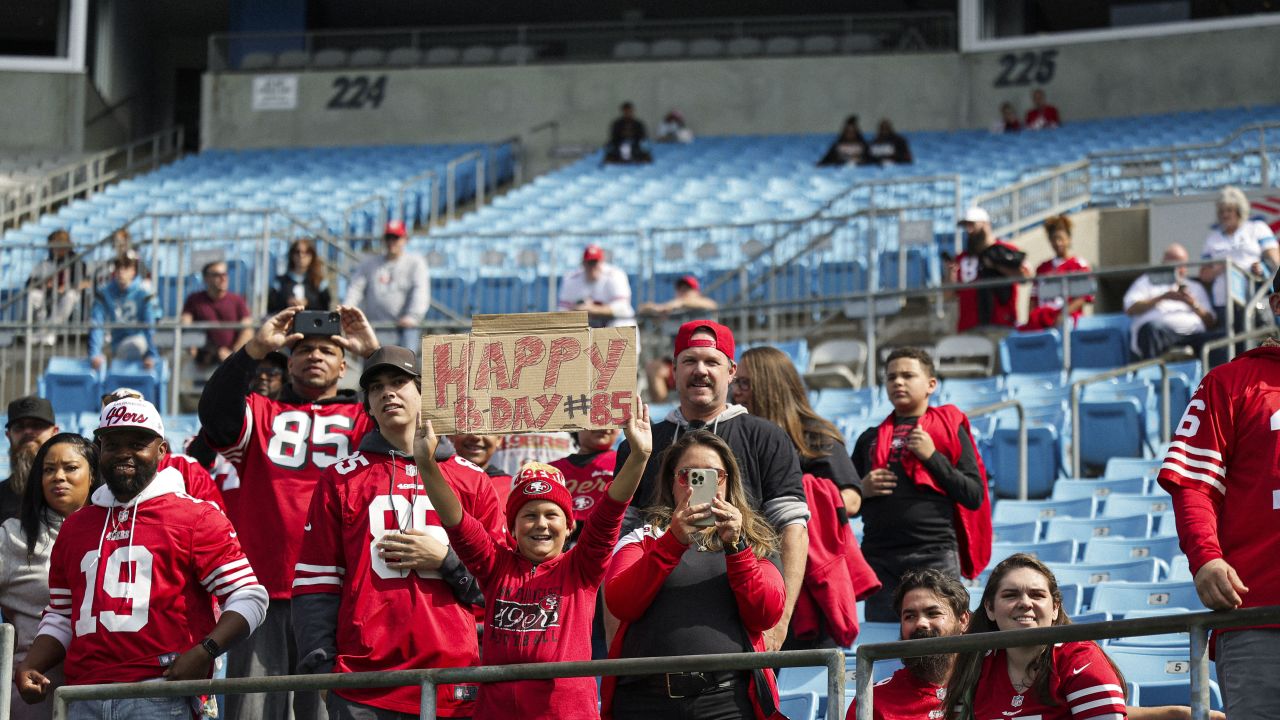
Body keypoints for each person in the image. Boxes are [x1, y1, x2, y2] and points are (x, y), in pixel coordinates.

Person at [14, 397, 268, 718]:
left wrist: (205, 651)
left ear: (162, 451)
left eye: (137, 443)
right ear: (99, 448)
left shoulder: (197, 517)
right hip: (82, 694)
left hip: (161, 691)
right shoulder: (77, 525)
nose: (124, 453)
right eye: (113, 443)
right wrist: (32, 664)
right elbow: (63, 615)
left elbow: (250, 597)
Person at [293, 345, 502, 720]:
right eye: (376, 388)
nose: (387, 392)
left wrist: (446, 561)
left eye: (399, 382)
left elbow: (502, 589)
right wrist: (321, 670)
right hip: (363, 683)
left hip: (453, 678)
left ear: (424, 394)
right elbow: (316, 583)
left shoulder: (472, 479)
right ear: (368, 406)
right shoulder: (339, 480)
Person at [413, 397, 652, 720]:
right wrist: (426, 464)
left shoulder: (582, 568)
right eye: (529, 515)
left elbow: (610, 511)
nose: (541, 524)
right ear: (511, 527)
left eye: (552, 514)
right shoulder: (495, 565)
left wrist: (639, 455)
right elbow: (456, 520)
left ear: (569, 526)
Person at [198, 305, 381, 720]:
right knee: (252, 710)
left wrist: (375, 353)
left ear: (343, 366)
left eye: (327, 349)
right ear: (288, 361)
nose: (314, 355)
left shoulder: (363, 418)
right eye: (303, 349)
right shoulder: (261, 413)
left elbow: (409, 414)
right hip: (264, 590)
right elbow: (214, 411)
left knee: (328, 710)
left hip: (341, 590)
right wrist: (255, 349)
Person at [615, 320, 810, 651]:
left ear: (732, 371)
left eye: (711, 361)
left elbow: (792, 531)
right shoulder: (643, 443)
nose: (700, 371)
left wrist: (779, 626)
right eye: (689, 361)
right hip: (656, 629)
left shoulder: (766, 437)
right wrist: (614, 632)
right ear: (673, 370)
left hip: (743, 620)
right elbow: (620, 538)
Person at [850, 568, 1214, 720]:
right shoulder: (873, 699)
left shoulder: (993, 670)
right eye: (909, 616)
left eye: (932, 613)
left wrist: (1173, 715)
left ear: (964, 620)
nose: (921, 625)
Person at [603, 430, 785, 719]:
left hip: (727, 701)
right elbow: (621, 603)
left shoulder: (754, 542)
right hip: (644, 701)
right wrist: (673, 541)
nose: (699, 485)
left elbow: (765, 614)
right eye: (688, 475)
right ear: (671, 482)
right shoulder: (642, 538)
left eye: (714, 475)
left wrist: (736, 547)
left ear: (728, 482)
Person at [1157, 295, 1280, 720]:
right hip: (1259, 615)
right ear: (1277, 304)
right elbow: (1193, 484)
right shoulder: (1230, 381)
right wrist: (1206, 559)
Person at [851, 347, 990, 622]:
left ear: (931, 385)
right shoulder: (869, 438)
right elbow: (844, 502)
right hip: (880, 561)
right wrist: (862, 490)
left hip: (934, 555)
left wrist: (932, 457)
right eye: (891, 377)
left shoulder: (949, 428)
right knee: (884, 649)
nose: (898, 382)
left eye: (907, 375)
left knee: (942, 641)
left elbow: (973, 494)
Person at [944, 554, 1126, 719]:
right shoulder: (974, 667)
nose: (1025, 603)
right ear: (990, 609)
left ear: (1055, 608)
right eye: (1010, 595)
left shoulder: (1079, 658)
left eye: (1037, 595)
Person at [0, 433, 99, 720]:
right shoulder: (13, 538)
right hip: (35, 694)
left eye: (70, 468)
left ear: (92, 475)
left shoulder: (116, 532)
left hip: (100, 690)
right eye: (48, 469)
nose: (58, 477)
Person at [1198, 185, 1278, 325]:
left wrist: (1262, 269)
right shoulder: (1212, 238)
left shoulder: (1256, 228)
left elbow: (1276, 261)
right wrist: (1222, 267)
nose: (1225, 215)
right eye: (1221, 211)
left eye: (1229, 210)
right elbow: (1204, 275)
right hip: (1223, 302)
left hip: (1254, 299)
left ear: (1239, 210)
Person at [343, 221, 430, 349]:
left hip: (404, 328)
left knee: (404, 366)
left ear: (405, 239)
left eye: (396, 237)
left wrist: (413, 316)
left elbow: (420, 291)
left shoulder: (415, 263)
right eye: (389, 237)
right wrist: (348, 308)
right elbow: (356, 288)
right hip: (376, 327)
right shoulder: (370, 263)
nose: (392, 241)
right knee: (372, 366)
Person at [1123, 243, 1217, 359]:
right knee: (1151, 329)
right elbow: (1130, 308)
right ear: (1164, 262)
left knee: (1221, 339)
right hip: (1160, 335)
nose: (1178, 268)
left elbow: (1211, 322)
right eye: (1174, 263)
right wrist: (1163, 297)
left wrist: (1193, 304)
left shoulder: (1195, 287)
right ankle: (1153, 373)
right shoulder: (1146, 281)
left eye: (1182, 264)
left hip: (1193, 336)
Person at [948, 206, 1031, 333]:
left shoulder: (1006, 250)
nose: (968, 230)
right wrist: (950, 274)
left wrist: (996, 264)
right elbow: (948, 295)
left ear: (986, 224)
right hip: (968, 325)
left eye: (972, 224)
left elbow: (1025, 277)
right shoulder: (962, 258)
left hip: (1001, 323)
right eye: (966, 226)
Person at [640, 275, 718, 402]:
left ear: (696, 292)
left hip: (702, 360)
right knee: (653, 368)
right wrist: (653, 308)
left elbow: (712, 305)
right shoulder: (674, 312)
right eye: (681, 289)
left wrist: (679, 303)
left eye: (688, 289)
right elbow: (646, 310)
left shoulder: (703, 309)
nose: (684, 292)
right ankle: (663, 414)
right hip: (678, 362)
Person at [88, 252, 160, 371]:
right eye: (118, 268)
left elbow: (150, 325)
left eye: (126, 267)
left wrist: (152, 355)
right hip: (117, 343)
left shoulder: (145, 292)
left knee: (137, 344)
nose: (121, 271)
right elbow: (97, 323)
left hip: (140, 343)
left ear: (133, 271)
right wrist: (94, 354)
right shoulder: (105, 292)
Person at [1022, 214, 1093, 331]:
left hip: (1069, 320)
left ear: (1069, 239)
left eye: (1061, 238)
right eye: (1054, 239)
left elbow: (1085, 296)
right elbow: (1033, 298)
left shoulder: (1079, 264)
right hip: (1044, 320)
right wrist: (1033, 319)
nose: (1058, 243)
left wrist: (1061, 315)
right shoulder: (1042, 268)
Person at [551, 427, 621, 539]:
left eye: (611, 421)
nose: (604, 426)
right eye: (594, 420)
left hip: (608, 542)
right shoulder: (550, 470)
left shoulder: (626, 463)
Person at [182, 260, 253, 368]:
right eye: (217, 275)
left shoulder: (238, 300)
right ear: (206, 279)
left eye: (225, 274)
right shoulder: (194, 300)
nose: (223, 278)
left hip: (233, 360)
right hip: (203, 360)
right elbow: (185, 324)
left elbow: (248, 330)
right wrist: (191, 345)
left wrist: (232, 354)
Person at [26, 229, 90, 346]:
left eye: (55, 245)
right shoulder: (46, 263)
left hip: (68, 295)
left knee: (69, 296)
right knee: (33, 295)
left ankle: (50, 331)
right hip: (48, 294)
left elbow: (83, 282)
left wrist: (65, 287)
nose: (51, 249)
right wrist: (44, 284)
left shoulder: (76, 261)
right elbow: (29, 282)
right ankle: (40, 331)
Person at [1, 396, 60, 523]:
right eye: (19, 427)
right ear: (8, 435)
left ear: (54, 432)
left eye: (37, 425)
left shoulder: (71, 489)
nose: (27, 431)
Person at [556, 244, 636, 329]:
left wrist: (592, 309)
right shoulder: (571, 279)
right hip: (591, 333)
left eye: (595, 262)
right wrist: (578, 310)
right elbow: (562, 310)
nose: (592, 267)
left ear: (601, 262)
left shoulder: (615, 275)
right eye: (589, 263)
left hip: (620, 333)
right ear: (583, 263)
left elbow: (622, 308)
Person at [269, 237, 332, 313]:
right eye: (297, 252)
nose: (301, 256)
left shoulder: (320, 283)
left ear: (312, 256)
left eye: (307, 252)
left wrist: (308, 303)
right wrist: (287, 303)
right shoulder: (279, 283)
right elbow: (271, 308)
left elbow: (326, 308)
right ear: (292, 255)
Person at [450, 432, 513, 504]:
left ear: (499, 438)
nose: (476, 437)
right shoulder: (438, 479)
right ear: (450, 435)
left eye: (486, 430)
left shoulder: (511, 489)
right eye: (466, 429)